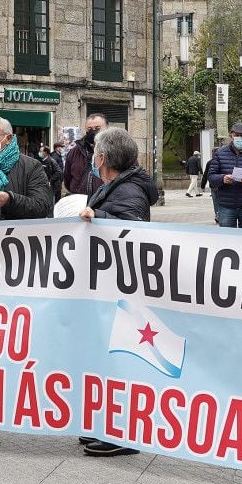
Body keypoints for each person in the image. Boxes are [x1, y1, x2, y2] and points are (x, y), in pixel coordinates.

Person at [77, 127, 156, 456]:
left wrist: (100, 216)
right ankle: (105, 423)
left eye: (95, 152)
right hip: (108, 286)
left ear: (104, 158)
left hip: (122, 290)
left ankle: (122, 434)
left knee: (120, 360)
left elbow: (133, 234)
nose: (92, 158)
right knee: (105, 359)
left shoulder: (130, 192)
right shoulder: (114, 186)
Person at [64, 114, 107, 196]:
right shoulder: (74, 152)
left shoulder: (118, 150)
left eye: (97, 128)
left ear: (106, 128)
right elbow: (67, 179)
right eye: (90, 129)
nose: (93, 131)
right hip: (79, 205)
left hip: (105, 205)